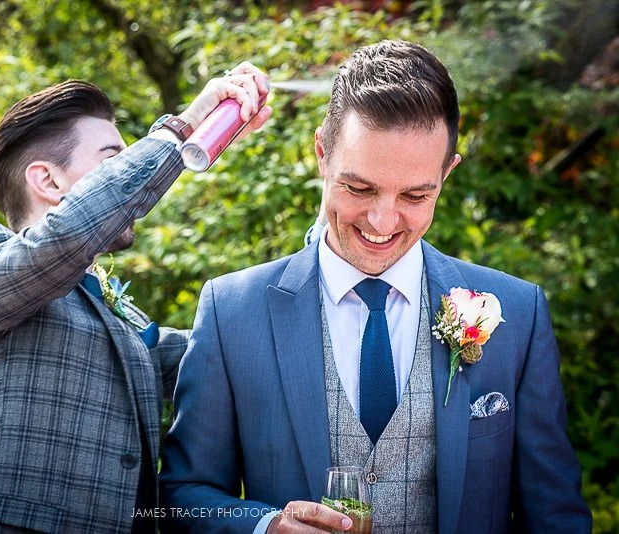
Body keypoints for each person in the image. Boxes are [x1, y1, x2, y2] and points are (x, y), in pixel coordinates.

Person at [159, 40, 591, 533]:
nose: (382, 222)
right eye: (359, 188)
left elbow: (556, 517)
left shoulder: (519, 313)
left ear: (446, 175)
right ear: (322, 153)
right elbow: (179, 500)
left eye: (414, 195)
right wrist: (263, 526)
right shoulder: (231, 311)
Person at [0, 63, 271, 533]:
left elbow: (215, 353)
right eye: (113, 161)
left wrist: (326, 254)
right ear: (48, 181)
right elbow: (64, 238)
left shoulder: (120, 318)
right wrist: (183, 127)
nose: (129, 180)